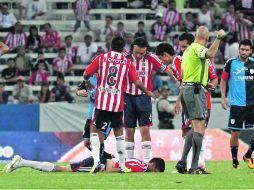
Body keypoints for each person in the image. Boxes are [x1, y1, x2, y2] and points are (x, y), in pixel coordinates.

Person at [83, 36, 156, 173]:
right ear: (123, 49)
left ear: (110, 46)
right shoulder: (127, 62)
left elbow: (86, 73)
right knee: (119, 134)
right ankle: (123, 166)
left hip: (101, 101)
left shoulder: (101, 58)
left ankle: (97, 162)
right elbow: (137, 82)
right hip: (117, 103)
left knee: (94, 130)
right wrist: (147, 92)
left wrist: (87, 81)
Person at [174, 26, 225, 174]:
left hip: (187, 89)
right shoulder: (197, 48)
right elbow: (211, 53)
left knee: (194, 126)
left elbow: (185, 75)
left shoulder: (188, 51)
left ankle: (183, 162)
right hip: (195, 90)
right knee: (199, 127)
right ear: (207, 38)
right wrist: (219, 38)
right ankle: (194, 166)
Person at [124, 37, 176, 164]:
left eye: (141, 53)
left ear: (146, 50)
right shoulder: (125, 57)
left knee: (145, 129)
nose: (138, 55)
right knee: (129, 130)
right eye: (136, 52)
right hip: (127, 97)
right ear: (132, 49)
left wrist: (178, 81)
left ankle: (147, 162)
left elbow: (167, 69)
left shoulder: (151, 57)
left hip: (144, 98)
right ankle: (129, 161)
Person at [220, 39, 254, 169]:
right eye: (242, 49)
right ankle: (235, 160)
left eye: (247, 50)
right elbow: (223, 80)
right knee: (235, 133)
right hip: (236, 105)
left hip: (252, 104)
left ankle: (248, 154)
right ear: (239, 49)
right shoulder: (231, 63)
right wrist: (223, 98)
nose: (244, 52)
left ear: (251, 51)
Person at [76, 75, 113, 159]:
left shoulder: (108, 77)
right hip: (92, 113)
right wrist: (79, 92)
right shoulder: (89, 78)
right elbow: (78, 89)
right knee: (87, 143)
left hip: (106, 112)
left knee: (100, 137)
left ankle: (100, 162)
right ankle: (107, 158)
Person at [5, 155, 165, 173]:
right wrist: (103, 173)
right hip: (98, 165)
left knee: (62, 169)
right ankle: (22, 162)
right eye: (157, 172)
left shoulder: (139, 161)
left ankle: (22, 163)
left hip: (99, 161)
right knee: (61, 169)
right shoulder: (141, 168)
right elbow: (118, 169)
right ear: (154, 166)